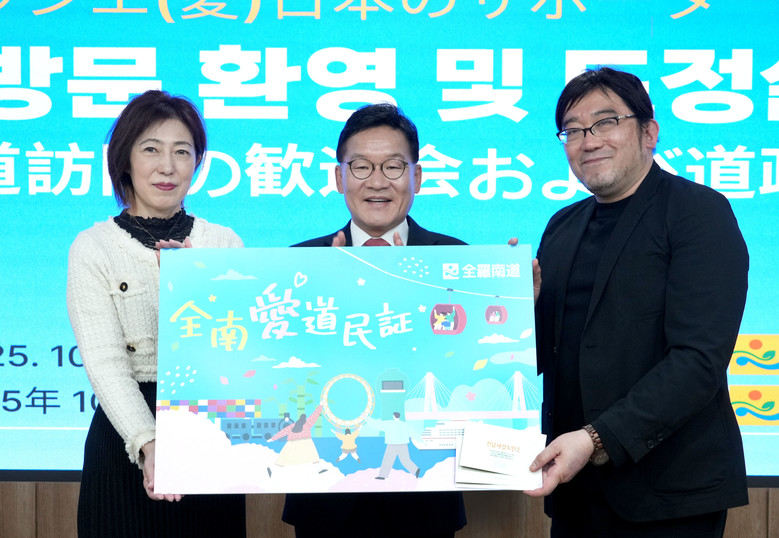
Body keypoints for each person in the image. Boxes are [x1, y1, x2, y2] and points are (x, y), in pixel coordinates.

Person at [525, 67, 749, 537]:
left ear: (649, 132)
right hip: (575, 489)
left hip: (669, 494)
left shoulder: (698, 212)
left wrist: (596, 439)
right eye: (573, 130)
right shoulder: (561, 226)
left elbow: (697, 360)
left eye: (605, 122)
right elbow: (552, 354)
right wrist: (519, 311)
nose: (588, 141)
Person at [66, 90, 246, 538]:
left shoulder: (224, 243)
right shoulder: (93, 246)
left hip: (209, 428)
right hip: (125, 436)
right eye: (151, 149)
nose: (168, 166)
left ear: (197, 162)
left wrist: (190, 293)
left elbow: (237, 356)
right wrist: (149, 444)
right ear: (124, 159)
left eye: (182, 152)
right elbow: (106, 364)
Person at [286, 103, 467, 538]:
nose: (378, 181)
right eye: (362, 166)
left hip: (427, 500)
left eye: (393, 166)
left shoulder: (458, 261)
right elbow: (280, 374)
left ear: (417, 177)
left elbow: (471, 361)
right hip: (325, 499)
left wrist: (520, 303)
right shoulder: (298, 265)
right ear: (339, 178)